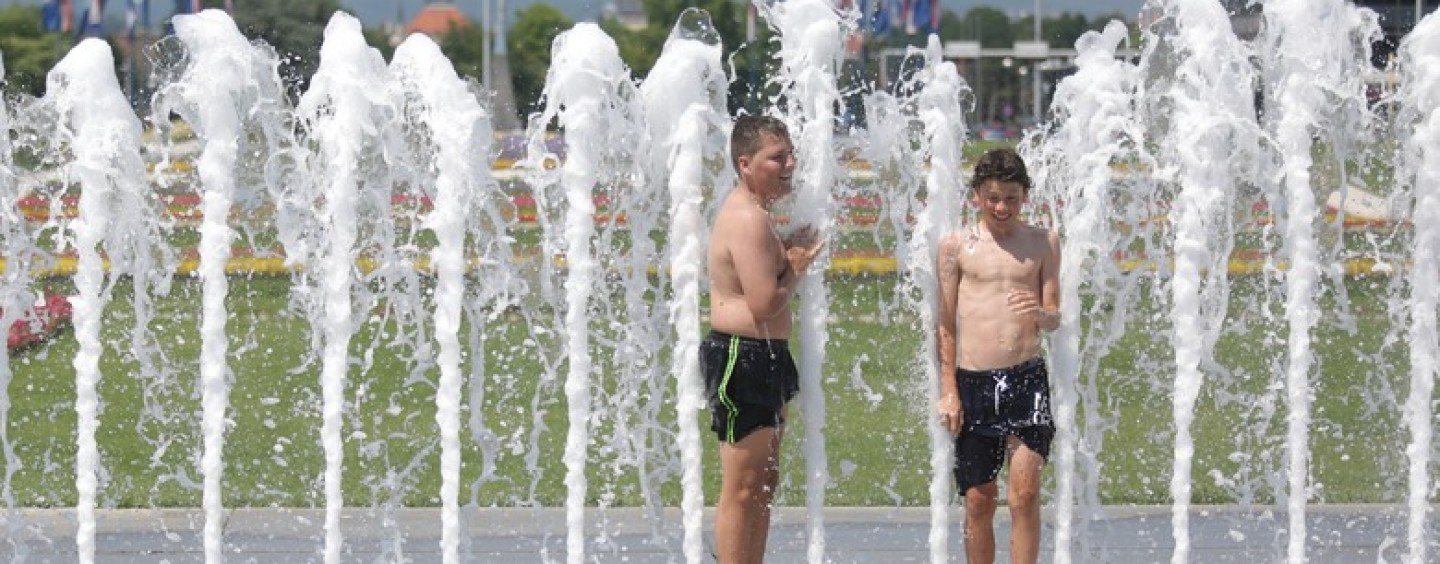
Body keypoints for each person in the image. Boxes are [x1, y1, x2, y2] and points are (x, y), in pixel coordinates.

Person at [701, 115, 823, 564]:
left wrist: (786, 256)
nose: (790, 164)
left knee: (764, 481)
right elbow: (764, 304)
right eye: (778, 158)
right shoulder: (748, 218)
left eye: (791, 155)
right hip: (742, 357)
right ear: (746, 163)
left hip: (765, 355)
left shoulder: (760, 216)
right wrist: (796, 267)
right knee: (743, 485)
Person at [935, 148, 1060, 564]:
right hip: (973, 381)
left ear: (1025, 195)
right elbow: (945, 323)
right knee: (979, 499)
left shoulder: (1043, 242)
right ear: (976, 196)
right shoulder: (956, 246)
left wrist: (1042, 314)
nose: (1001, 206)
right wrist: (949, 390)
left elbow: (1054, 314)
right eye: (992, 197)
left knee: (1024, 493)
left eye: (1010, 197)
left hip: (1026, 379)